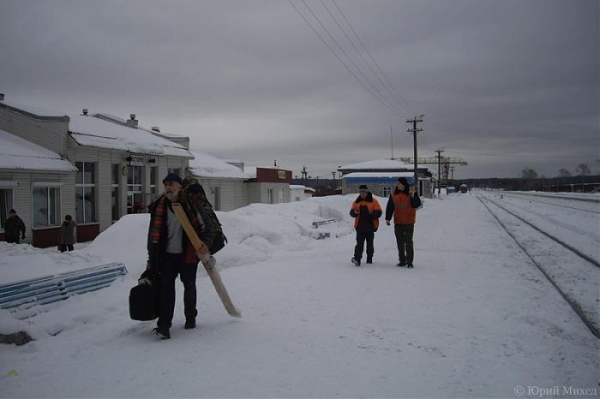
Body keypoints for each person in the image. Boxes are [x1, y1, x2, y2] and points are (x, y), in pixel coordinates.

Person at [146, 172, 216, 340]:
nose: (168, 188)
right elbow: (152, 235)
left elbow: (209, 227)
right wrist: (150, 258)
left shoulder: (191, 204)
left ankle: (190, 317)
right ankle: (164, 326)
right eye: (166, 185)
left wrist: (205, 243)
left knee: (189, 286)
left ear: (179, 186)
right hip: (167, 257)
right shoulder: (159, 206)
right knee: (166, 290)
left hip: (188, 256)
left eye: (172, 184)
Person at [385, 177, 422, 268]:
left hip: (409, 222)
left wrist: (413, 196)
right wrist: (388, 218)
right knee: (400, 242)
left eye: (399, 184)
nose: (397, 185)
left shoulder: (411, 193)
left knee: (408, 242)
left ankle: (409, 262)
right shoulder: (394, 195)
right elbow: (390, 207)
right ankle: (402, 260)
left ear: (404, 184)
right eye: (397, 184)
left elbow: (417, 204)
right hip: (398, 222)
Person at [350, 185, 382, 266]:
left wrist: (372, 215)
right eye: (361, 192)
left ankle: (369, 258)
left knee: (370, 244)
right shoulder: (356, 202)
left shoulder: (373, 201)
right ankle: (357, 259)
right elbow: (351, 212)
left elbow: (379, 212)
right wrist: (354, 213)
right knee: (359, 244)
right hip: (360, 227)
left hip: (370, 226)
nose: (362, 194)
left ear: (367, 192)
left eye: (364, 192)